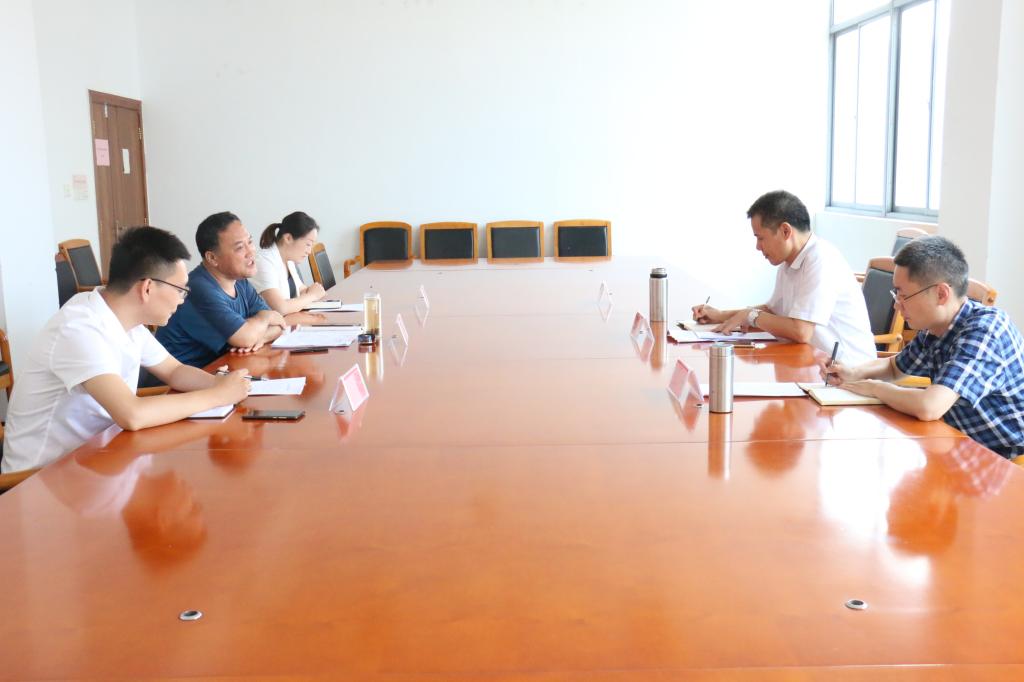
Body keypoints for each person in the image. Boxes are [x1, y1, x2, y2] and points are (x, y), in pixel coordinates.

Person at [1, 227, 250, 474]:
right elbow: (132, 414)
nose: (181, 300)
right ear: (147, 288)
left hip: (99, 460)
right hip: (42, 479)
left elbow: (174, 371)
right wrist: (218, 396)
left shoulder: (126, 321)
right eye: (180, 290)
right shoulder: (78, 328)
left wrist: (220, 383)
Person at [821, 235, 1024, 459]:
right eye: (896, 294)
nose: (897, 305)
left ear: (941, 294)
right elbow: (895, 368)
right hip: (958, 442)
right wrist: (852, 372)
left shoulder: (985, 331)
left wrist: (875, 388)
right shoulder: (935, 326)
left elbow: (930, 407)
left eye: (904, 295)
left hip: (1006, 460)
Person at [691, 190, 877, 366]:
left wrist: (750, 315)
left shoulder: (821, 259)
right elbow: (772, 312)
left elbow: (801, 331)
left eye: (760, 238)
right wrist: (720, 315)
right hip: (814, 365)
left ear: (786, 231)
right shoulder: (789, 263)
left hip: (850, 373)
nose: (758, 247)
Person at [157, 211, 288, 368]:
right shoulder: (199, 288)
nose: (251, 251)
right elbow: (247, 337)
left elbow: (279, 325)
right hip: (181, 380)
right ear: (212, 258)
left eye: (250, 242)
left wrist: (258, 336)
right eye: (240, 248)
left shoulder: (240, 281)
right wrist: (264, 318)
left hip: (223, 369)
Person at [250, 211, 327, 314]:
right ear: (288, 238)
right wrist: (312, 295)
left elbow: (302, 291)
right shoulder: (264, 261)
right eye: (308, 244)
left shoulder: (288, 260)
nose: (309, 252)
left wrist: (313, 291)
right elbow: (281, 308)